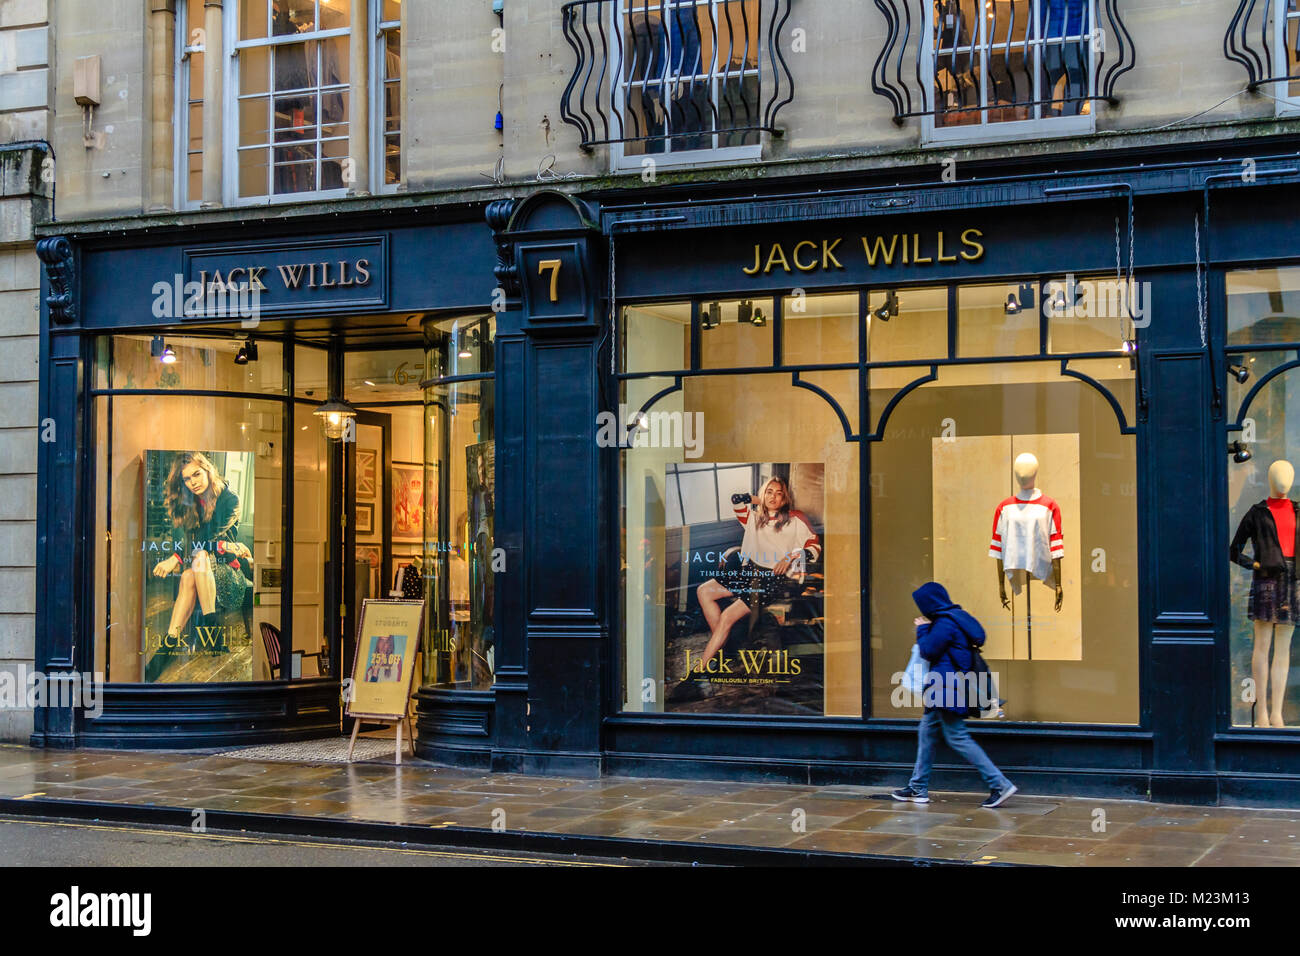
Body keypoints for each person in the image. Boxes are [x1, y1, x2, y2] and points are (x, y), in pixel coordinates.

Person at [892, 581, 1018, 809]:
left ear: (929, 604)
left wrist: (922, 629)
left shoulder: (945, 623)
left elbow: (929, 650)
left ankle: (1000, 784)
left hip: (946, 687)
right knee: (927, 733)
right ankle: (918, 787)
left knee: (957, 737)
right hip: (944, 686)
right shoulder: (956, 618)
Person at [693, 476, 821, 668]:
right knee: (704, 591)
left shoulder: (796, 519)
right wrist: (764, 501)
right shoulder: (753, 517)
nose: (774, 497)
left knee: (727, 617)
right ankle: (724, 648)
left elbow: (814, 546)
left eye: (779, 494)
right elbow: (737, 499)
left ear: (785, 498)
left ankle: (698, 672)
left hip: (771, 579)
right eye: (769, 492)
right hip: (749, 572)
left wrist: (790, 557)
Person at [150, 451, 252, 643]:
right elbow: (188, 539)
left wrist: (176, 558)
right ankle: (172, 641)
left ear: (208, 470)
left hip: (227, 572)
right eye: (187, 479)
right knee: (190, 573)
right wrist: (224, 545)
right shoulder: (191, 502)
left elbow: (206, 537)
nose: (193, 482)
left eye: (196, 474)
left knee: (199, 556)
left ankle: (204, 633)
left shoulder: (229, 500)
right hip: (200, 570)